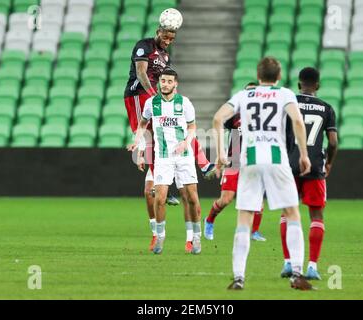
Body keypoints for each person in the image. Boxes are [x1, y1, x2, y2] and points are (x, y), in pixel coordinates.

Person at [213, 57, 314, 291]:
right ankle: (297, 273)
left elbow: (218, 118)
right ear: (278, 76)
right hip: (276, 158)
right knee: (292, 213)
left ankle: (238, 277)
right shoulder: (285, 94)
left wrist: (220, 154)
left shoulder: (244, 95)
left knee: (244, 218)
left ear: (258, 77)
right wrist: (303, 154)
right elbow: (297, 121)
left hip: (249, 159)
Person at [123, 26, 214, 250]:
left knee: (181, 130)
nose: (168, 40)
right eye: (165, 36)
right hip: (138, 95)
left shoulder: (166, 58)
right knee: (151, 190)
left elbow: (190, 127)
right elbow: (143, 74)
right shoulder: (144, 46)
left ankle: (202, 163)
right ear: (158, 32)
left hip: (176, 153)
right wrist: (156, 99)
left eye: (172, 38)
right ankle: (158, 233)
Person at [128, 69, 202, 255]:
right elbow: (143, 123)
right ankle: (160, 236)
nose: (165, 84)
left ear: (175, 84)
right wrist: (138, 140)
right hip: (162, 157)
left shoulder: (184, 103)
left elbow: (192, 127)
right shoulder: (151, 103)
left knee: (192, 198)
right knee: (159, 199)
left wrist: (186, 142)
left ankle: (196, 237)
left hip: (184, 156)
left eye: (169, 81)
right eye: (163, 81)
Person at [280, 67, 338, 280]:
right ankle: (312, 266)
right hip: (314, 167)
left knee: (287, 213)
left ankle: (288, 263)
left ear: (298, 84)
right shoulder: (326, 108)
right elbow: (333, 142)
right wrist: (329, 164)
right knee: (316, 215)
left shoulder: (288, 104)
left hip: (289, 165)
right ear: (318, 85)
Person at [204, 82, 266, 242]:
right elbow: (221, 130)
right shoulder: (234, 114)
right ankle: (209, 220)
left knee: (258, 200)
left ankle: (255, 231)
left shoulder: (264, 115)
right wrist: (222, 153)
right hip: (235, 159)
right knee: (226, 199)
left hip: (254, 160)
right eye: (249, 92)